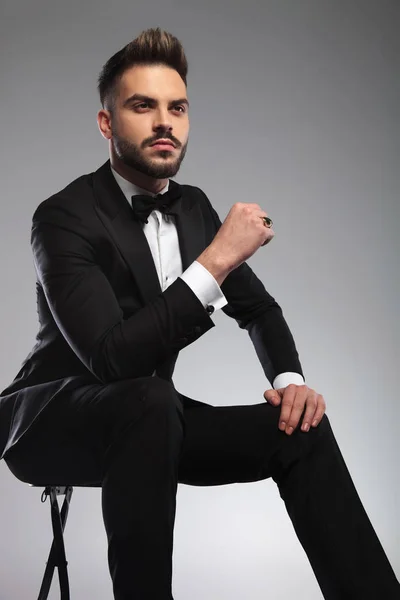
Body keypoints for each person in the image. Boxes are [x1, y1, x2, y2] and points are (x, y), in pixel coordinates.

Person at [0, 27, 398, 600]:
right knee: (151, 399)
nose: (165, 122)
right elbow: (111, 359)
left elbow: (259, 309)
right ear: (107, 123)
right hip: (53, 418)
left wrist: (291, 383)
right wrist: (215, 260)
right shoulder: (63, 216)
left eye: (177, 108)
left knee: (300, 430)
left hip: (152, 421)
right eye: (143, 106)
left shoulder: (193, 208)